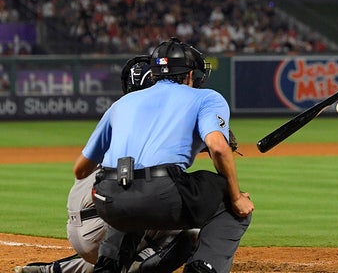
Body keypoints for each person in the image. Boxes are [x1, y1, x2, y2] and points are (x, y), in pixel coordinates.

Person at [73, 37, 254, 273]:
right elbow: (218, 147)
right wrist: (236, 196)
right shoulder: (206, 97)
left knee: (130, 191)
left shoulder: (122, 102)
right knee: (227, 195)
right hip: (161, 191)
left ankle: (108, 267)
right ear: (190, 75)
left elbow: (81, 170)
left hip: (107, 198)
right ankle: (204, 268)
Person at [13, 56, 201, 273]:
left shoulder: (121, 111)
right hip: (106, 220)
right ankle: (138, 264)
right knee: (185, 225)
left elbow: (81, 169)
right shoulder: (161, 122)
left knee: (113, 248)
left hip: (81, 221)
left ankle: (50, 271)